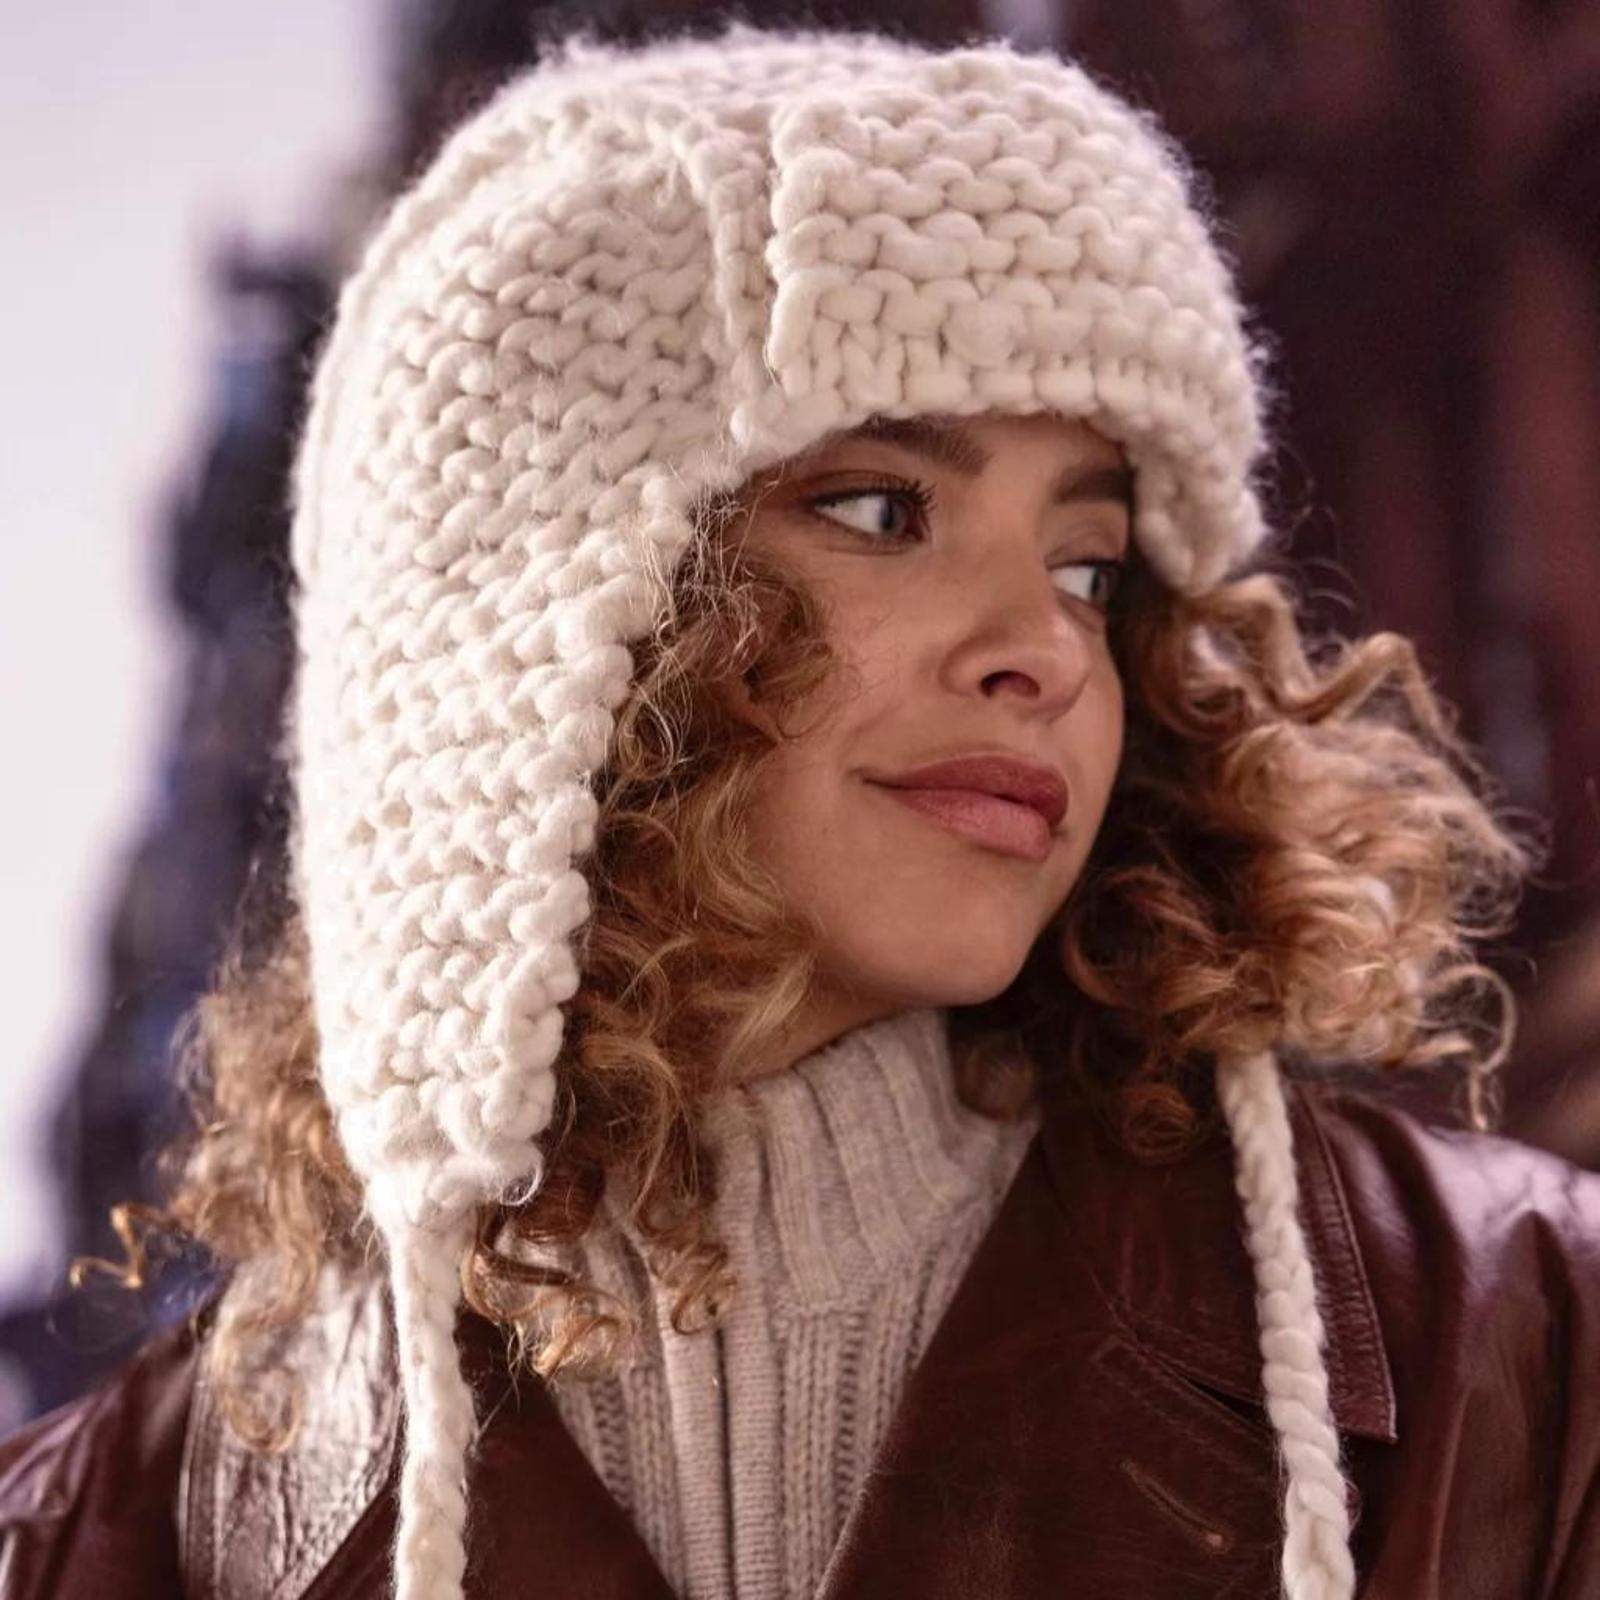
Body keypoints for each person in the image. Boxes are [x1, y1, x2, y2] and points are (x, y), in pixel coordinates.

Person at [1, 20, 1597, 1600]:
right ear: (538, 614)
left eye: (1089, 568)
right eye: (883, 510)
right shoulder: (93, 1542)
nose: (1044, 651)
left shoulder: (1535, 1350)